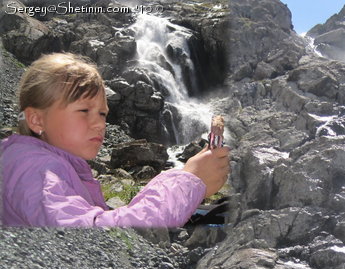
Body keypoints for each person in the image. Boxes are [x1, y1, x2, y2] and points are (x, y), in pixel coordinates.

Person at [1, 52, 230, 227]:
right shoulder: (37, 170)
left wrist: (183, 177)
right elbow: (94, 237)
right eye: (84, 111)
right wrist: (188, 183)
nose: (100, 123)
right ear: (37, 120)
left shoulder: (37, 161)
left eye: (102, 113)